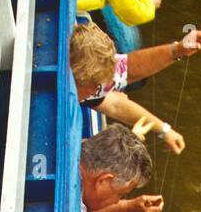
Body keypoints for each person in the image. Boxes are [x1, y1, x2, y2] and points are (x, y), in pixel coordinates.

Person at [70, 21, 185, 154]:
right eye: (96, 85)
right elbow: (71, 149)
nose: (97, 91)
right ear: (77, 77)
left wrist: (164, 130)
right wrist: (123, 143)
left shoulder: (82, 86)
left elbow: (115, 104)